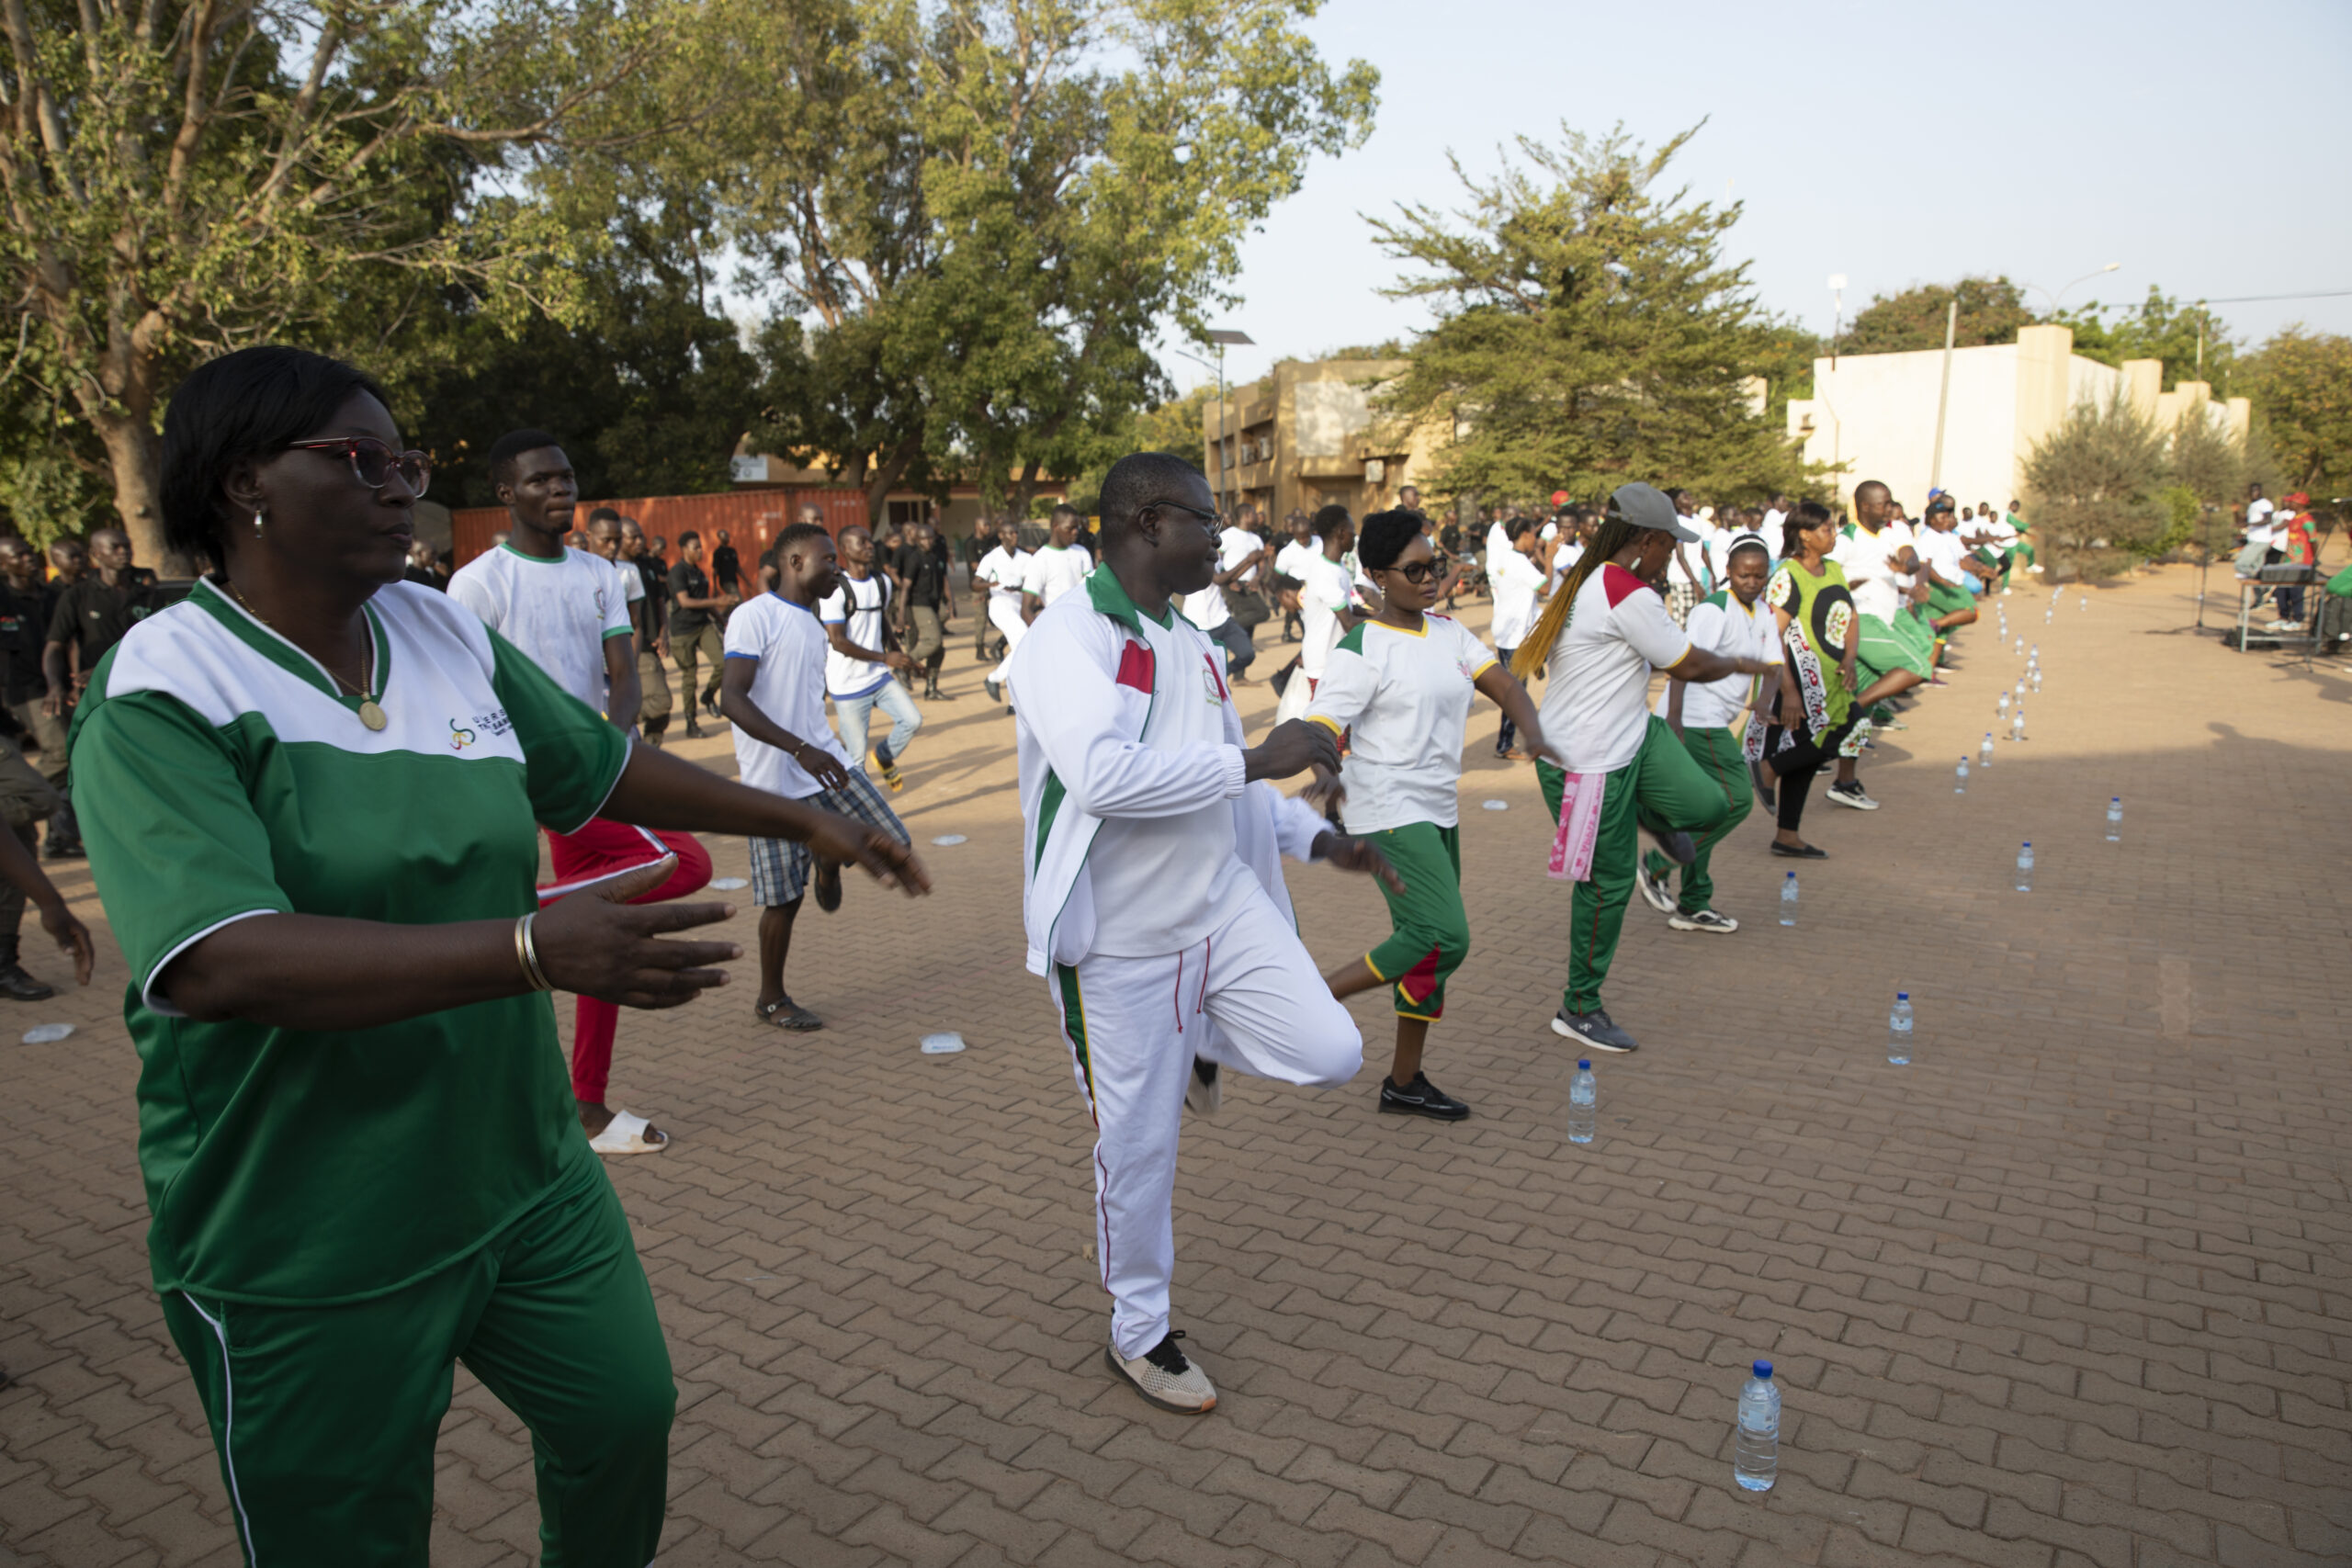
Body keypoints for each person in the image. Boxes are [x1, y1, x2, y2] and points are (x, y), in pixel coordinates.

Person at [74, 344, 925, 1567]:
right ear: (240, 482)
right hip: (306, 1222)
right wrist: (532, 945)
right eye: (359, 461)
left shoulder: (432, 630)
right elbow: (218, 958)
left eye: (403, 465)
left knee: (624, 1412)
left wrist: (800, 811)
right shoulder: (163, 689)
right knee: (351, 1533)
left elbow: (596, 763)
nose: (395, 489)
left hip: (515, 1169)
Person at [1009, 451, 1399, 1415]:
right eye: (1204, 518)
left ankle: (1199, 1048)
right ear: (1148, 522)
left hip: (1217, 909)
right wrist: (1261, 760)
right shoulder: (1070, 637)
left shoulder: (1185, 639)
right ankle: (1139, 1334)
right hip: (1119, 948)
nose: (1221, 538)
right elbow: (1104, 777)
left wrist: (1318, 840)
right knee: (1136, 1155)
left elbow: (1227, 779)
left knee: (1333, 1050)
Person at [449, 428, 714, 1157]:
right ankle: (522, 914)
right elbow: (464, 693)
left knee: (603, 927)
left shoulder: (601, 574)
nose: (559, 490)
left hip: (594, 771)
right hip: (531, 781)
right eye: (540, 481)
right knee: (684, 864)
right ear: (507, 494)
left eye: (566, 478)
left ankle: (584, 1105)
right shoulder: (477, 584)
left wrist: (618, 743)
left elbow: (621, 673)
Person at [1512, 482, 1779, 1055]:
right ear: (1650, 541)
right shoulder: (1625, 591)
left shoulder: (1587, 575)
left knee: (1711, 805)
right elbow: (1688, 663)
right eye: (1669, 546)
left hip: (1635, 734)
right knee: (1605, 887)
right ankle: (1579, 1006)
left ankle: (1653, 821)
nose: (1670, 558)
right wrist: (1741, 662)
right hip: (1586, 762)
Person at [1307, 511, 1551, 1122]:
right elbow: (1320, 725)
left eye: (1434, 566)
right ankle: (1305, 998)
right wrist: (1325, 772)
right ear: (1376, 577)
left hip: (1438, 807)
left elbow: (1506, 685)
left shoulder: (1448, 632)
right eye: (1413, 570)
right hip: (1385, 808)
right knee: (1442, 935)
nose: (1429, 579)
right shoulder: (1361, 646)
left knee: (1426, 952)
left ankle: (1405, 1080)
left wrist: (1534, 729)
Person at [720, 523, 916, 1032]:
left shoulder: (811, 624)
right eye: (827, 559)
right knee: (784, 899)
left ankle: (827, 859)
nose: (837, 568)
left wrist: (814, 747)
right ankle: (771, 999)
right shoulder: (753, 616)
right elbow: (732, 698)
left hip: (826, 763)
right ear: (795, 563)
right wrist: (797, 748)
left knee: (892, 842)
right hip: (773, 781)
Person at [1634, 533, 1778, 934]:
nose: (1752, 582)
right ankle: (1658, 864)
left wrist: (1766, 700)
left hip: (1718, 720)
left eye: (1760, 576)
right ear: (1728, 573)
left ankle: (1694, 903)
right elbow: (1684, 662)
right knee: (1736, 801)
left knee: (1707, 810)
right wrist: (1675, 718)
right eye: (1744, 574)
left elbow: (1773, 665)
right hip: (1698, 720)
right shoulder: (1714, 610)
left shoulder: (1764, 612)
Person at [1751, 502, 1859, 858]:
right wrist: (1789, 690)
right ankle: (1768, 768)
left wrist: (1850, 657)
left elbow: (1851, 616)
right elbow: (1773, 634)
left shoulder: (1834, 569)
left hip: (1832, 677)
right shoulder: (1788, 575)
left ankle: (1787, 834)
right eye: (1827, 528)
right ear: (1804, 535)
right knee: (1845, 729)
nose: (1834, 534)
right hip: (1800, 680)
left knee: (1809, 755)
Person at [819, 524, 922, 792]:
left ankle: (885, 755)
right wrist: (885, 657)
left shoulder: (881, 581)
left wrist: (899, 655)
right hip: (848, 684)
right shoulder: (836, 590)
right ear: (844, 550)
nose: (869, 546)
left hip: (877, 676)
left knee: (912, 720)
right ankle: (863, 814)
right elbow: (838, 641)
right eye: (861, 542)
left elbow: (881, 621)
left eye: (869, 541)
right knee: (855, 759)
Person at [0, 540, 73, 860]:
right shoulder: (4, 599)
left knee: (71, 755)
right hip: (24, 691)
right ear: (4, 564)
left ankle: (57, 835)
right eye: (19, 555)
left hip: (57, 686)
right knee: (60, 751)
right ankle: (22, 793)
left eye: (30, 553)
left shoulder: (50, 595)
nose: (28, 559)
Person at [1487, 520, 1550, 759]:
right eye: (1534, 534)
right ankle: (1505, 744)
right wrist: (1549, 559)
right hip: (1515, 636)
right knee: (1515, 692)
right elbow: (1545, 588)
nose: (1536, 538)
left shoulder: (1504, 556)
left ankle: (1537, 660)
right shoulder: (1520, 562)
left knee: (1513, 687)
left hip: (1506, 631)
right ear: (1525, 534)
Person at [666, 529, 735, 736]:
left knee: (723, 663)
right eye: (695, 547)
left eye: (700, 547)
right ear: (684, 549)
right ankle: (691, 722)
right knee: (690, 677)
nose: (700, 551)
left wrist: (721, 618)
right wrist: (718, 601)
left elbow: (704, 600)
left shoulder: (699, 572)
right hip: (683, 630)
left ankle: (708, 695)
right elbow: (684, 601)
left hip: (703, 625)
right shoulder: (677, 572)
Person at [895, 520, 954, 699]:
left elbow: (942, 580)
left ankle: (931, 688)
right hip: (919, 604)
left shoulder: (935, 557)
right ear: (917, 539)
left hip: (934, 604)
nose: (928, 541)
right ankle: (903, 666)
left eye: (930, 538)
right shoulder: (915, 558)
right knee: (932, 641)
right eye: (923, 538)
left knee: (939, 650)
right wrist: (901, 614)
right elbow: (905, 587)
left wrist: (950, 602)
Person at [975, 516, 1031, 705]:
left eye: (1016, 532)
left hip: (1019, 602)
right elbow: (975, 583)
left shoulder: (1025, 557)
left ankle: (1014, 703)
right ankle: (994, 678)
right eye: (1010, 532)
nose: (1014, 536)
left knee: (1021, 649)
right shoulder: (992, 557)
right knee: (1023, 641)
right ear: (1001, 535)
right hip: (1000, 603)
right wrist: (992, 584)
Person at [1021, 505, 1093, 622]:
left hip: (1084, 620)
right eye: (1070, 528)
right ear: (1055, 526)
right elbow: (1026, 610)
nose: (1075, 532)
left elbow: (1090, 590)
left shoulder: (1082, 552)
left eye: (1077, 528)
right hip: (1058, 622)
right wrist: (1043, 634)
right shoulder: (1040, 560)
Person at [709, 529, 742, 603]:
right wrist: (715, 587)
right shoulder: (718, 552)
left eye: (728, 535)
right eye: (725, 536)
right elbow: (715, 571)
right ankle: (722, 614)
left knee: (734, 602)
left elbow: (737, 568)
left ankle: (723, 614)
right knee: (738, 599)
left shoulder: (732, 551)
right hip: (726, 581)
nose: (727, 538)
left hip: (734, 580)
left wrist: (747, 581)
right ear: (720, 538)